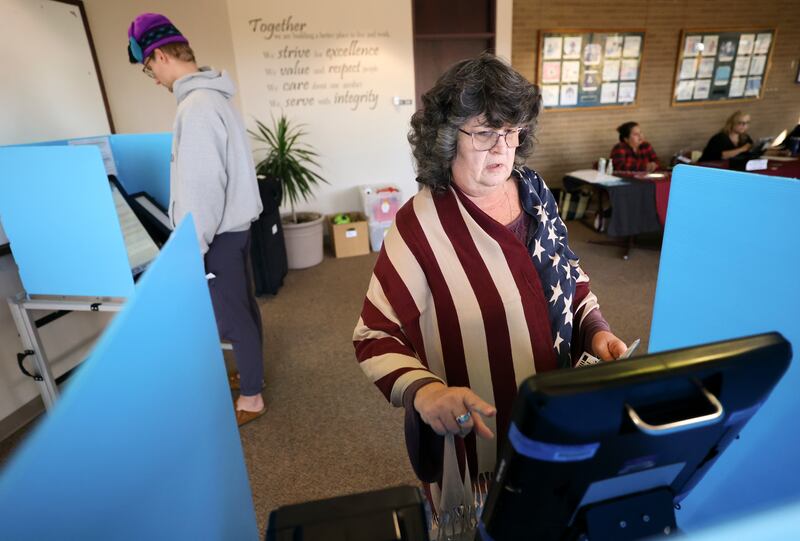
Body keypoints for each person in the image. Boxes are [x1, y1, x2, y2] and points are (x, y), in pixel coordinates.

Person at [352, 54, 626, 526]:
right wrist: (425, 393)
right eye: (483, 132)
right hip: (474, 446)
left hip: (559, 418)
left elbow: (569, 277)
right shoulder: (418, 226)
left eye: (512, 130)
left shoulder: (535, 190)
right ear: (446, 138)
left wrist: (595, 329)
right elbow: (375, 334)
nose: (502, 148)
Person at [127, 13, 266, 426]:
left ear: (162, 55)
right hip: (235, 227)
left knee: (230, 314)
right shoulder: (214, 97)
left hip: (218, 232)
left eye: (149, 68)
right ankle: (252, 374)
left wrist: (193, 246)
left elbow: (203, 187)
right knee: (242, 305)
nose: (153, 78)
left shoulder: (197, 106)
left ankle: (253, 398)